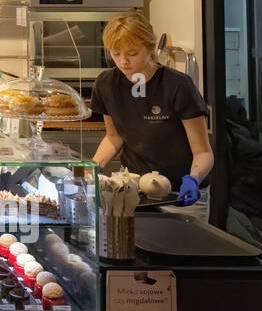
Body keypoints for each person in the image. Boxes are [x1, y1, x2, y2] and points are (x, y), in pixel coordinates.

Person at [90, 11, 213, 208]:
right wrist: (93, 167)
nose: (123, 62)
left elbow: (203, 152)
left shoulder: (178, 85)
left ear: (150, 48)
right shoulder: (106, 84)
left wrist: (193, 179)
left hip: (179, 191)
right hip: (132, 188)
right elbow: (114, 137)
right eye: (116, 54)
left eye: (132, 53)